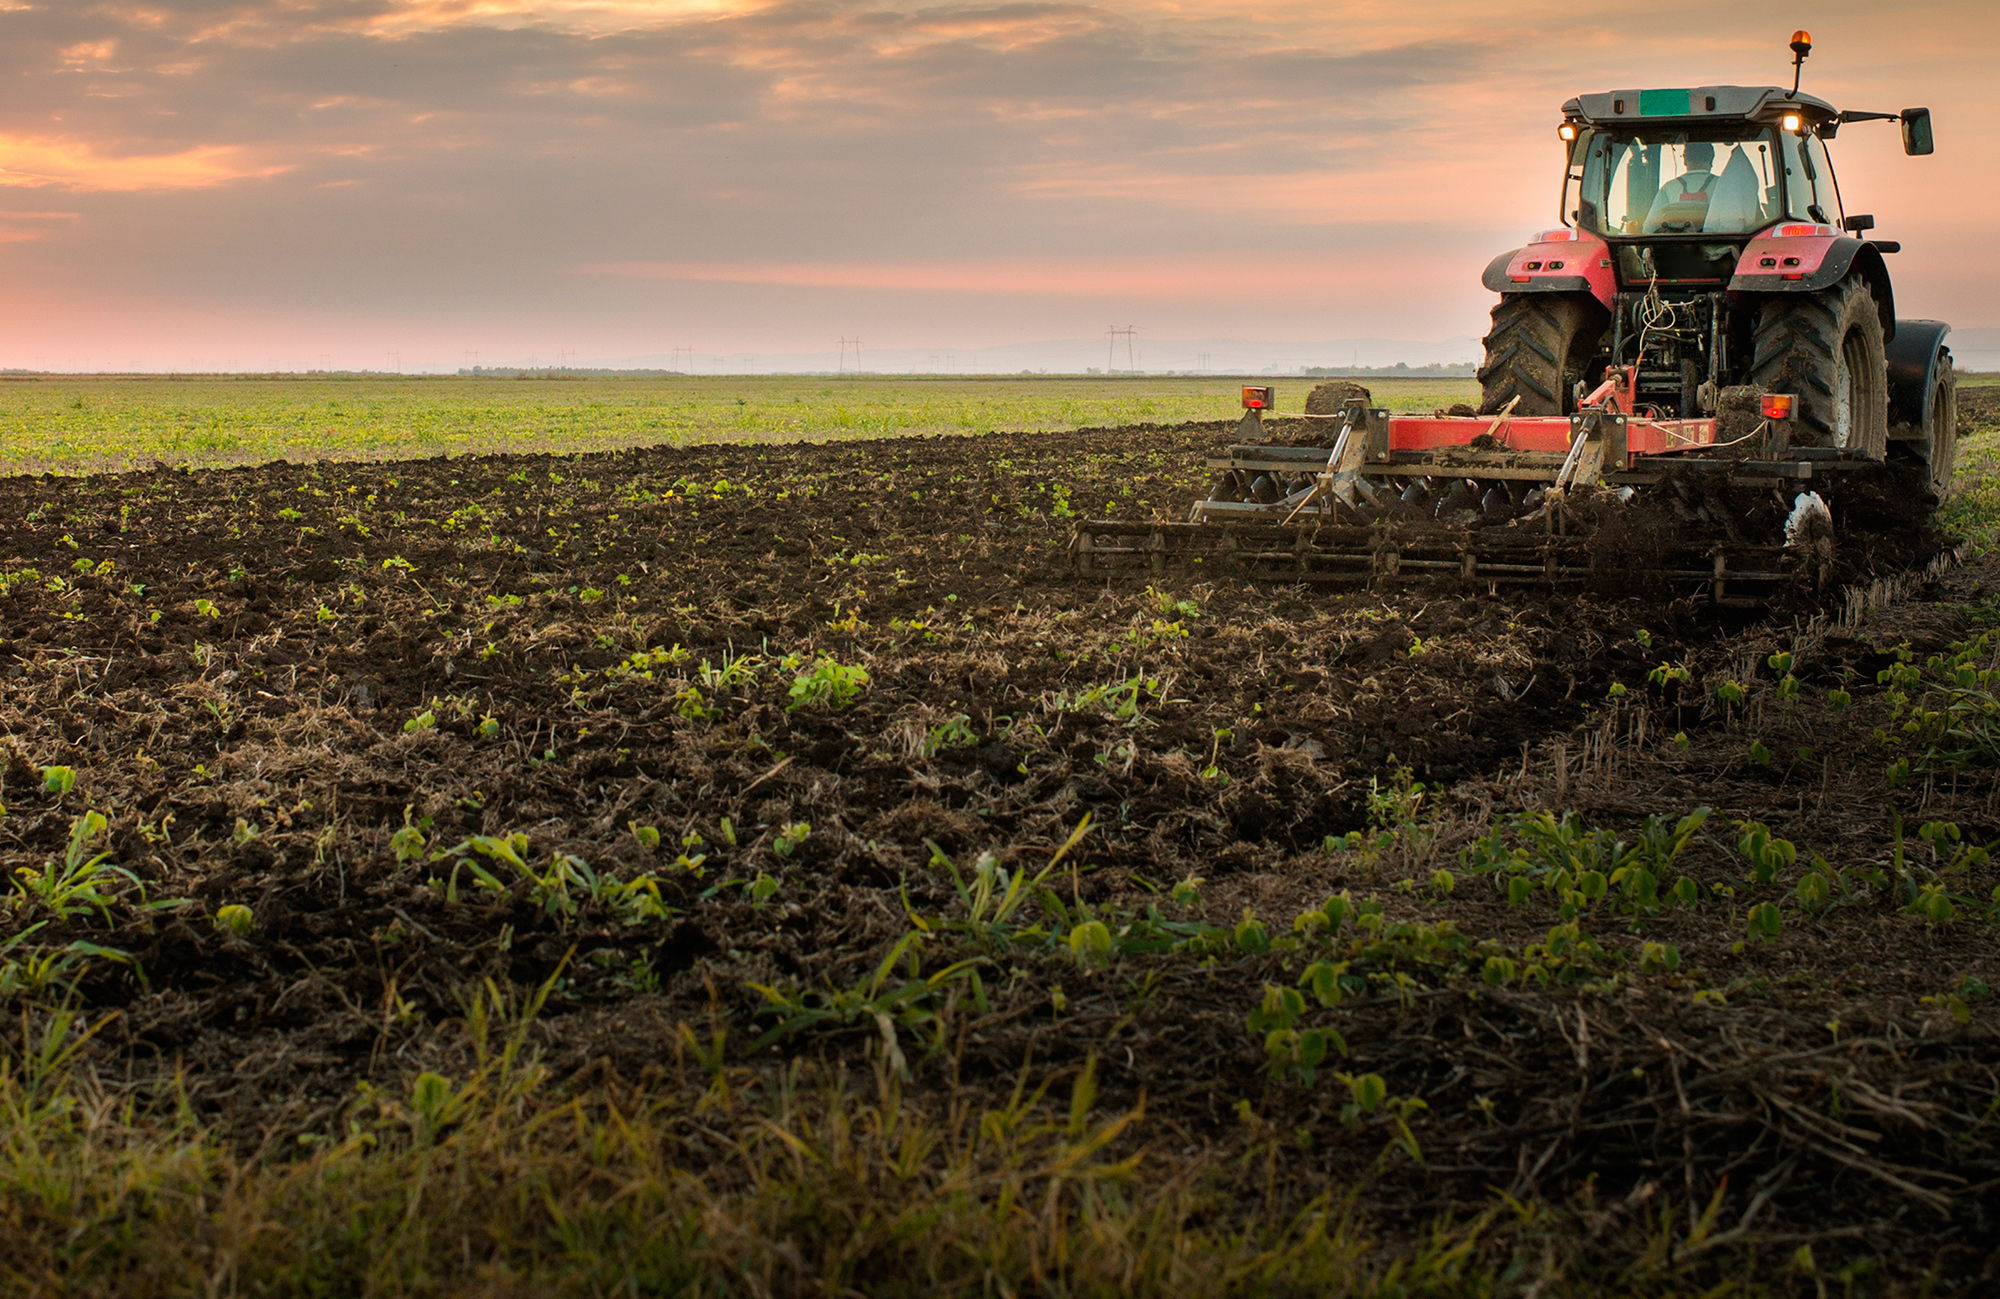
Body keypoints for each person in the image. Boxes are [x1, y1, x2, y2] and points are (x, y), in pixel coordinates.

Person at [1642, 141, 1719, 233]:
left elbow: (1649, 228)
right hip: (1714, 245)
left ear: (1685, 160)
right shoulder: (1722, 184)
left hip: (1675, 246)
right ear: (1711, 160)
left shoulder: (1668, 187)